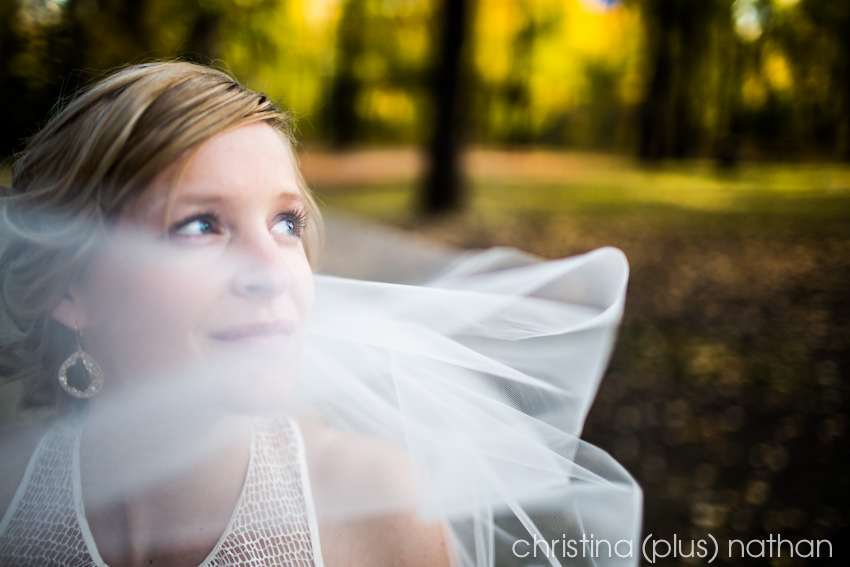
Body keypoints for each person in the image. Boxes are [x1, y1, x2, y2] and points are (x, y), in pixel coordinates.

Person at [0, 61, 640, 567]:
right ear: (72, 290)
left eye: (286, 222)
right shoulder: (9, 501)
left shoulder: (379, 508)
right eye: (200, 225)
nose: (274, 270)